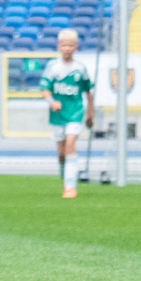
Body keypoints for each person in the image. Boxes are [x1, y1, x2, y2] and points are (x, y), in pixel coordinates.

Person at [39, 29, 94, 199]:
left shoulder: (80, 69)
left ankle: (71, 187)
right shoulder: (53, 67)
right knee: (62, 153)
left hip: (75, 112)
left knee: (71, 143)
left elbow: (88, 92)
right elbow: (44, 89)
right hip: (57, 115)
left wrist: (90, 114)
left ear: (76, 47)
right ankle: (66, 181)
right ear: (59, 47)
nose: (67, 48)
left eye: (71, 45)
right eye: (64, 45)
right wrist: (52, 102)